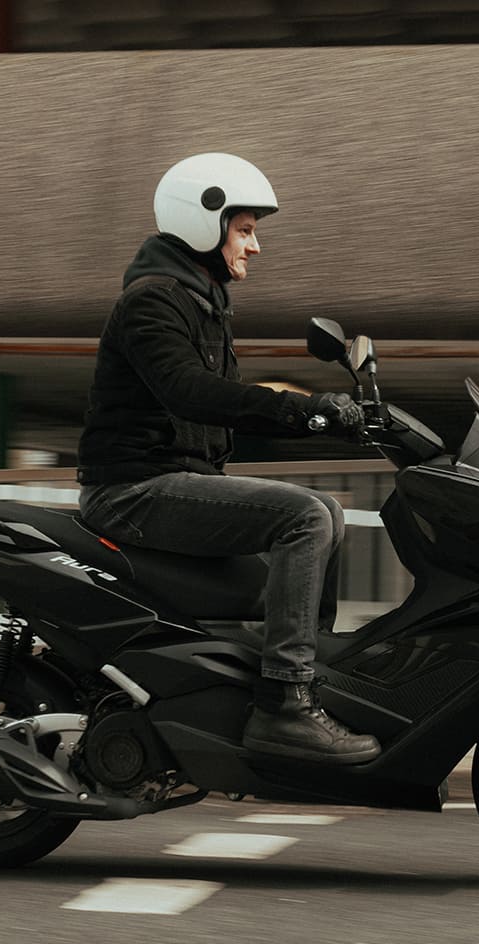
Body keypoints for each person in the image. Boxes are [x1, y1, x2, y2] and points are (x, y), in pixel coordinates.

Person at [75, 152, 380, 766]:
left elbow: (231, 404)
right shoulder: (153, 301)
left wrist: (333, 417)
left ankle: (302, 672)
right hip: (134, 489)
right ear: (203, 223)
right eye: (245, 230)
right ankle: (285, 705)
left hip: (174, 481)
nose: (255, 247)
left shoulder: (200, 298)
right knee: (307, 518)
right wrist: (307, 412)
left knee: (327, 510)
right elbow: (190, 392)